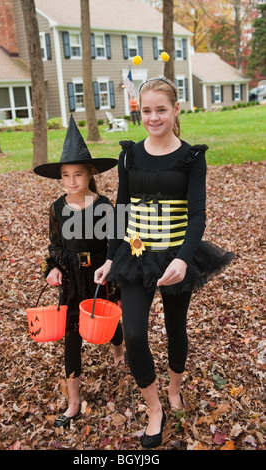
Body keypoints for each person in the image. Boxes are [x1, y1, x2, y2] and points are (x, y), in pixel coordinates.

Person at [94, 78, 234, 448]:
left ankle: (174, 386)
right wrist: (110, 257)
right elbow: (121, 209)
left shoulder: (191, 157)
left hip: (176, 257)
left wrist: (185, 260)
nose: (153, 117)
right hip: (136, 256)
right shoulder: (129, 155)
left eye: (161, 109)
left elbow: (198, 215)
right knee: (135, 333)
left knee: (175, 328)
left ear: (175, 110)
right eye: (146, 110)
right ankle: (154, 406)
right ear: (138, 111)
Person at [34, 115, 124, 429]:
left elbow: (117, 243)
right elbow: (55, 246)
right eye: (65, 175)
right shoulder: (57, 208)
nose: (72, 181)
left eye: (78, 175)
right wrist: (53, 269)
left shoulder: (105, 206)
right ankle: (73, 401)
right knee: (72, 336)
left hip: (100, 275)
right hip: (71, 279)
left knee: (106, 322)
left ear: (90, 173)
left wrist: (113, 273)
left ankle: (117, 349)